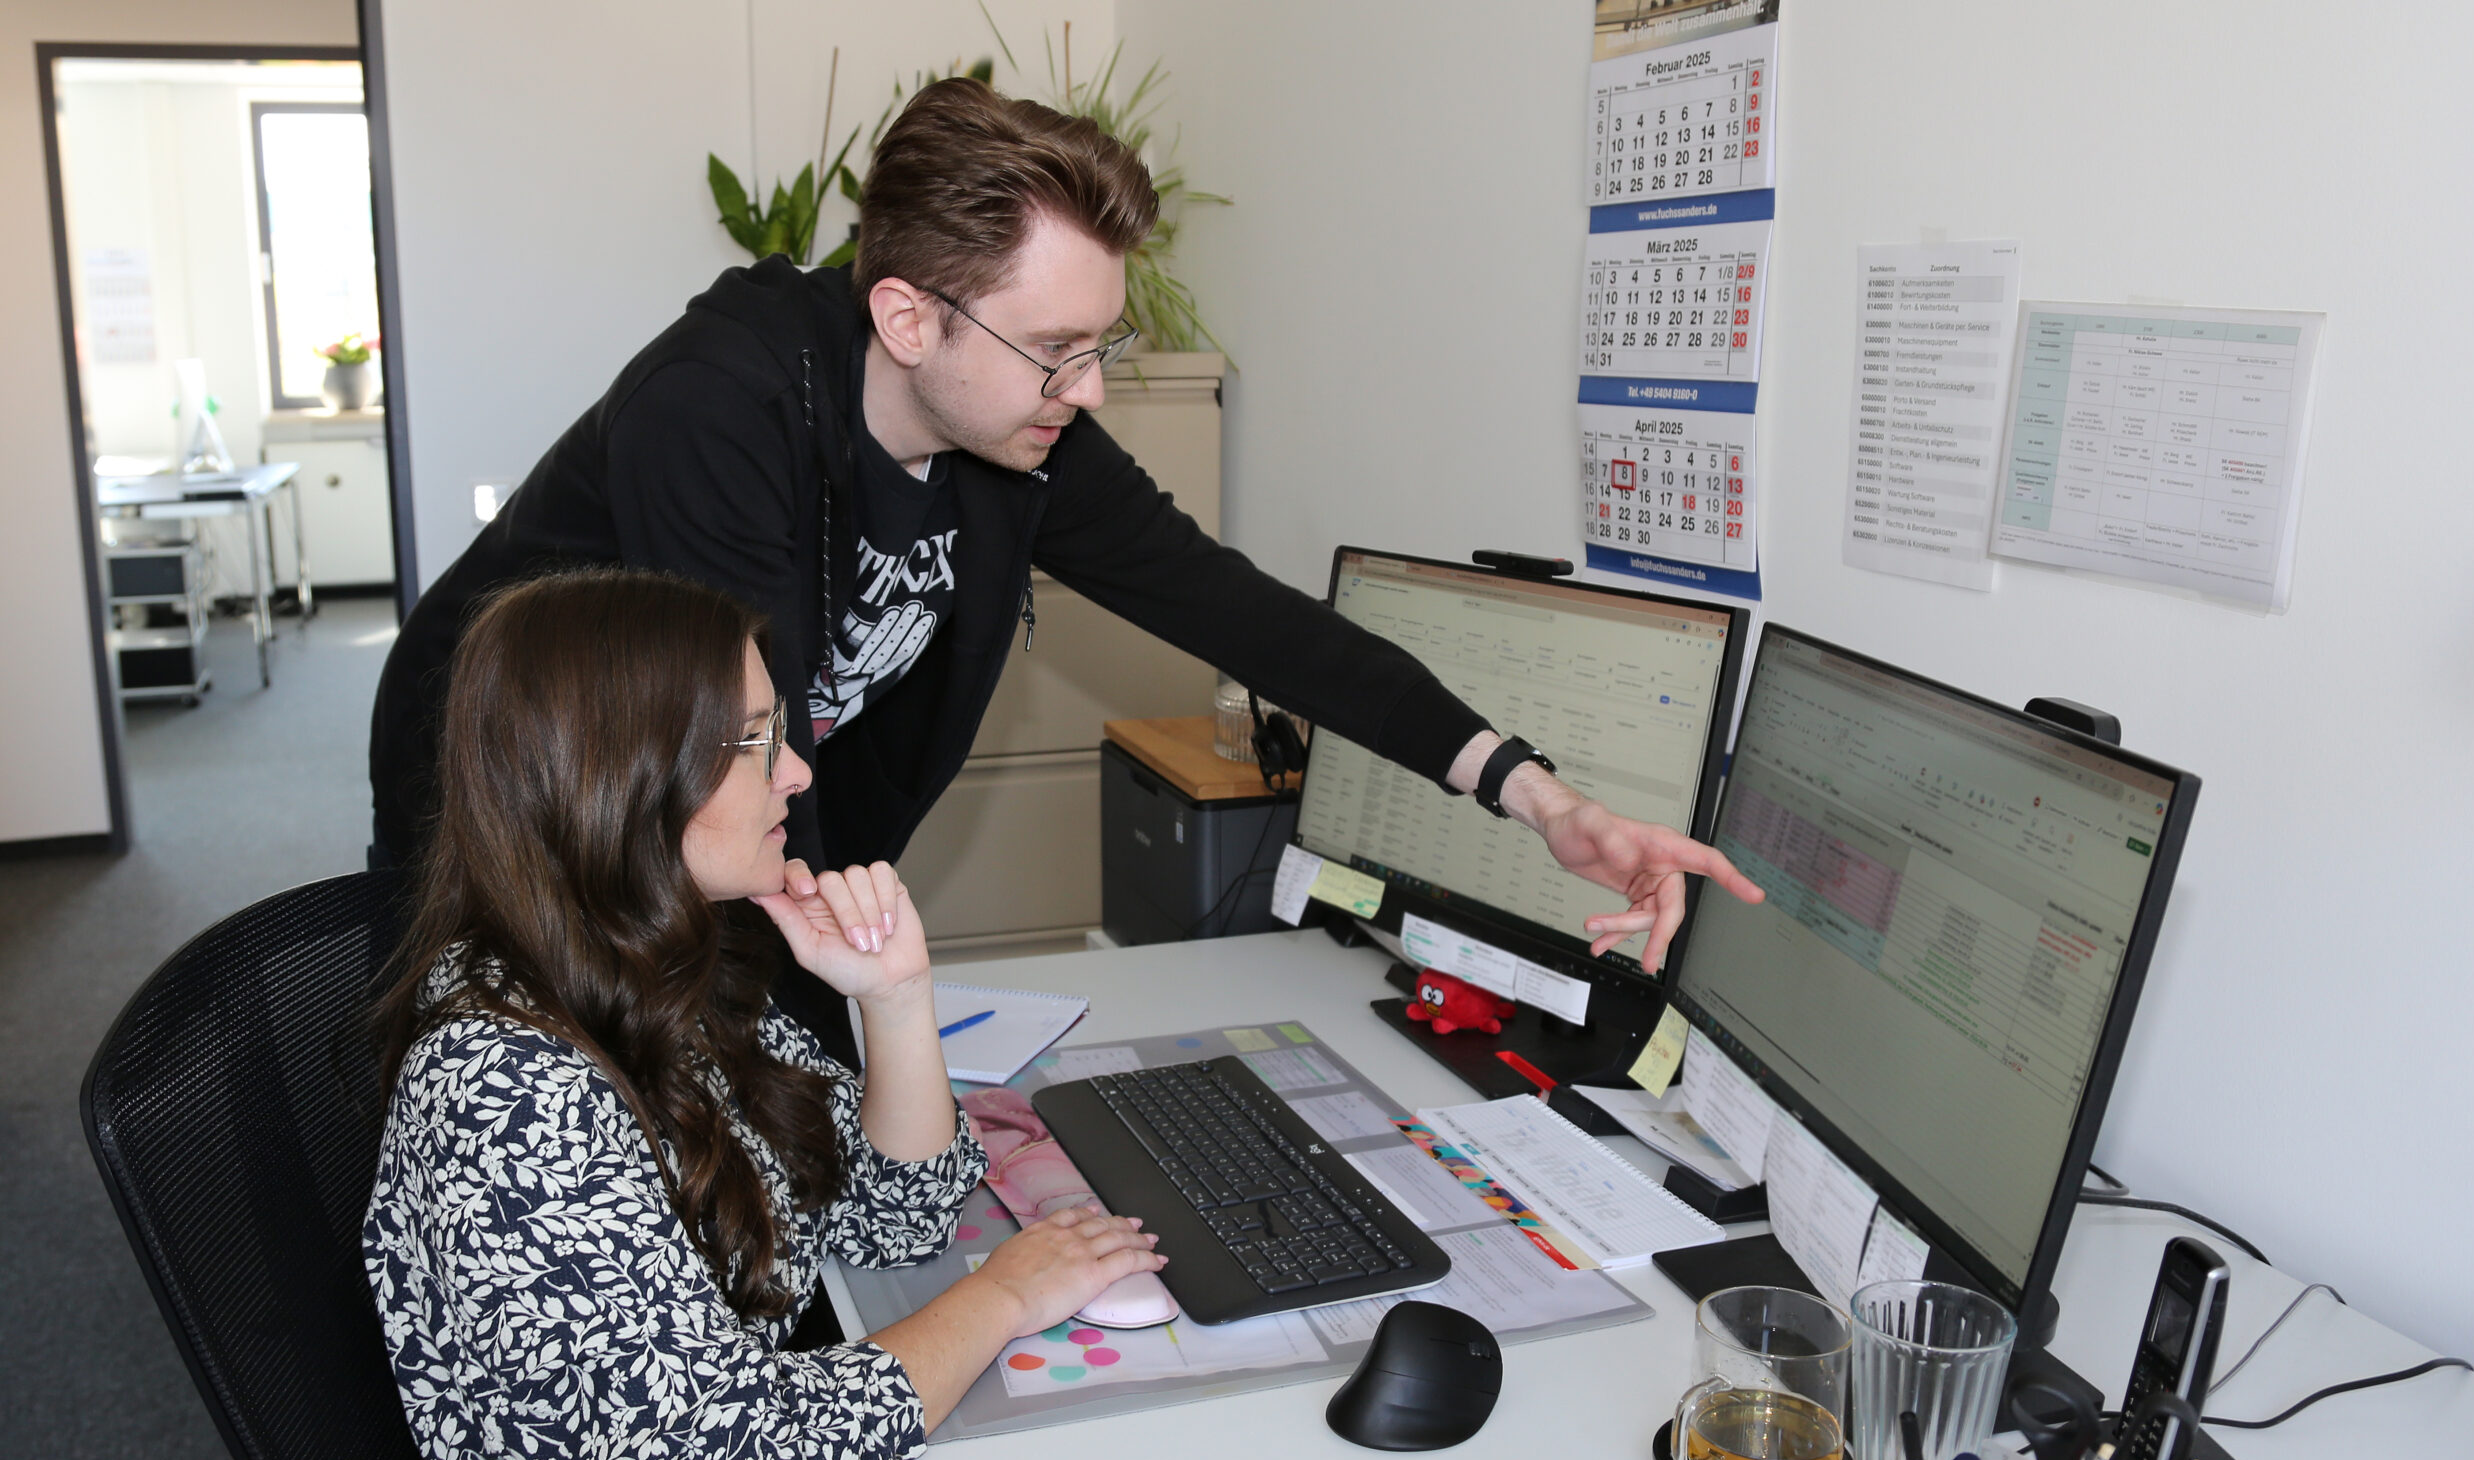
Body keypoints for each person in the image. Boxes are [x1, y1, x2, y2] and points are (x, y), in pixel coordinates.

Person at [369, 77, 1761, 1059]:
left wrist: (1535, 794)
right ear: (907, 318)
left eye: (1102, 346)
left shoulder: (1014, 430)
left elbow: (1244, 614)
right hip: (513, 787)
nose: (1087, 390)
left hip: (734, 823)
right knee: (550, 1131)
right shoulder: (719, 408)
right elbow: (732, 773)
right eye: (1055, 350)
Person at [367, 568, 1161, 1460]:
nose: (795, 771)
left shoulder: (651, 970)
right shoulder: (507, 1092)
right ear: (620, 779)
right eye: (751, 742)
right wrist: (1003, 1296)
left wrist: (894, 998)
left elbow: (895, 1216)